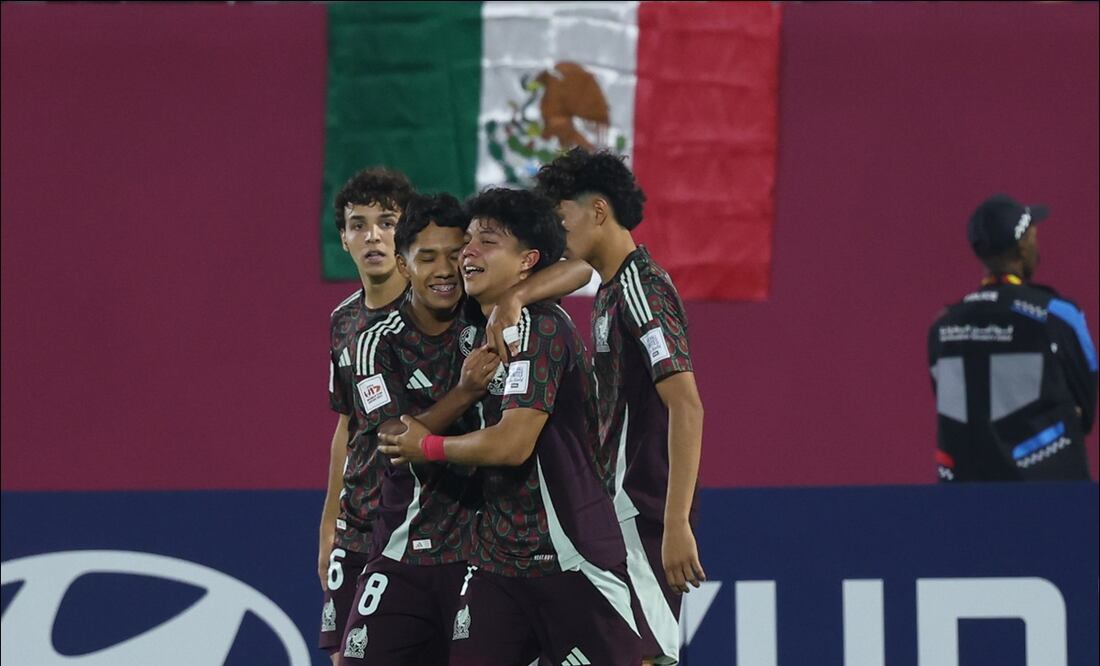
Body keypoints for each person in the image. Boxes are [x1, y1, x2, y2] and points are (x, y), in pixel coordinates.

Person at [379, 187, 643, 666]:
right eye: (469, 242)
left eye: (488, 241)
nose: (467, 253)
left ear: (528, 261)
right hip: (498, 564)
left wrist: (430, 446)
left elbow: (512, 445)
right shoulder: (473, 324)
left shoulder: (541, 328)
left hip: (569, 556)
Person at [534, 149, 705, 665]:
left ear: (599, 212)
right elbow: (572, 269)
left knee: (641, 657)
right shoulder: (611, 287)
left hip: (645, 511)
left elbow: (688, 407)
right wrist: (514, 301)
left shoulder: (639, 289)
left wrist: (676, 522)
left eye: (562, 220)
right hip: (617, 509)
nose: (557, 236)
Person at [927, 194, 1097, 481]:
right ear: (1023, 245)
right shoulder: (1057, 315)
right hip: (1051, 496)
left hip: (966, 496)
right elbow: (1087, 407)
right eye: (1034, 234)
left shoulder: (943, 326)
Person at [318, 167, 413, 662]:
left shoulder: (438, 312)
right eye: (359, 224)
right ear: (344, 238)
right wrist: (328, 523)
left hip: (423, 524)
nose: (372, 235)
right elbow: (347, 426)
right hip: (358, 523)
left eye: (387, 222)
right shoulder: (343, 321)